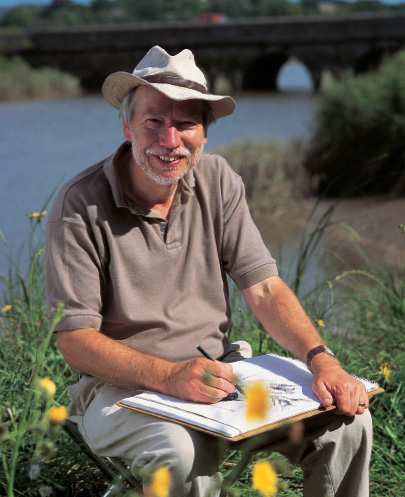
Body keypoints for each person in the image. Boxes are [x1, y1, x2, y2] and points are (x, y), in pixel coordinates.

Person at [46, 45, 372, 497]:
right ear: (126, 126)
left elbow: (264, 288)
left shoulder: (219, 180)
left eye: (186, 124)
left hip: (223, 375)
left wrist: (322, 360)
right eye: (154, 121)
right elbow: (76, 342)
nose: (170, 140)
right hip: (121, 391)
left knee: (347, 419)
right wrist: (167, 376)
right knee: (180, 454)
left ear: (205, 134)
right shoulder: (78, 204)